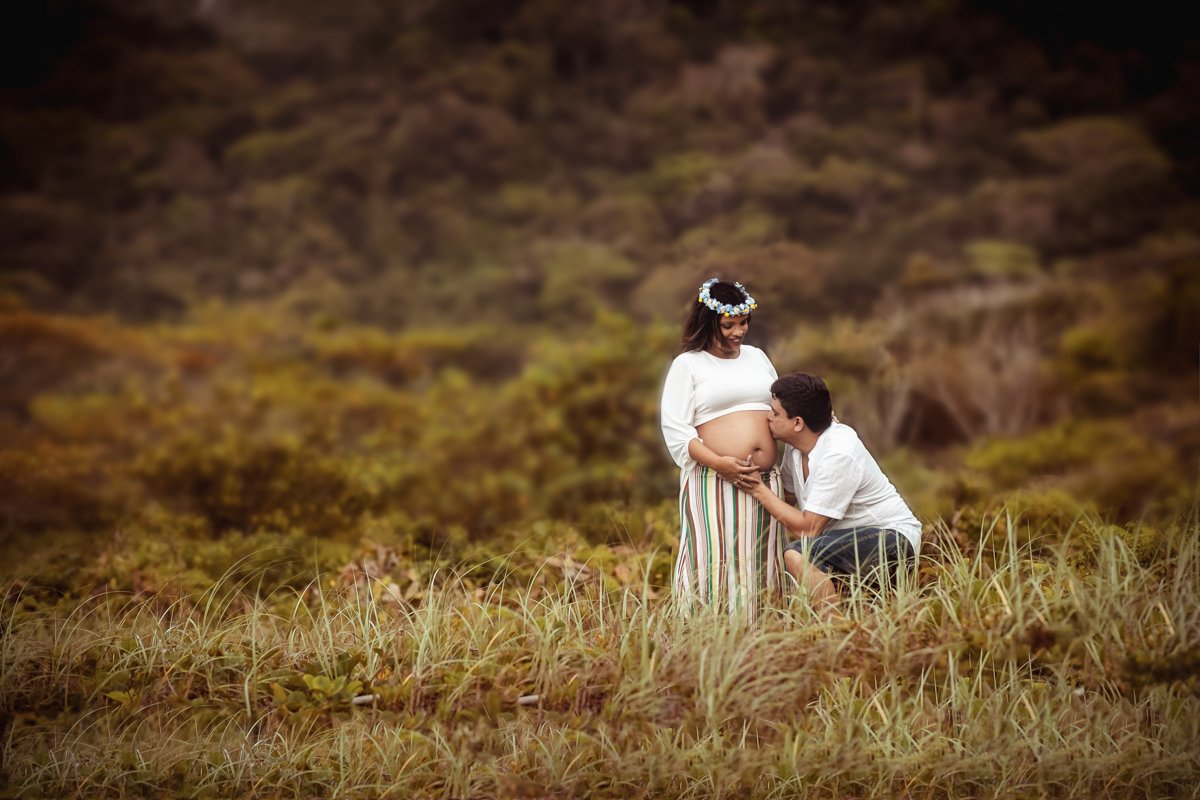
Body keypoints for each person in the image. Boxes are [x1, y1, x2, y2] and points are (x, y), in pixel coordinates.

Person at [739, 373, 921, 613]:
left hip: (893, 538)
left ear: (798, 423)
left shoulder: (838, 452)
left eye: (775, 413)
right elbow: (788, 499)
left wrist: (757, 488)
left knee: (797, 554)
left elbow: (808, 528)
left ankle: (834, 633)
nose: (767, 417)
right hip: (848, 540)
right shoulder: (797, 447)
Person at [660, 278, 785, 620]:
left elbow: (780, 409)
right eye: (728, 325)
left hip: (764, 482)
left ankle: (765, 635)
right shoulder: (689, 365)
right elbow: (676, 429)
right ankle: (707, 634)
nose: (738, 331)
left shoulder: (757, 357)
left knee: (764, 557)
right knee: (718, 557)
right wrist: (720, 464)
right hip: (715, 481)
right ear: (708, 322)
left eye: (743, 322)